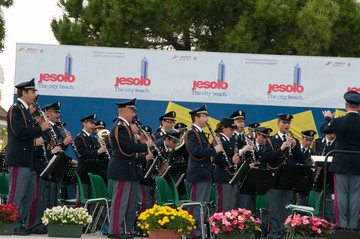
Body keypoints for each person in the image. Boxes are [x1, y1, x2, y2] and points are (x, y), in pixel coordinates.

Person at [6, 78, 52, 235]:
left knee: (29, 194)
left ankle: (20, 223)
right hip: (19, 159)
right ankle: (10, 224)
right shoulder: (16, 109)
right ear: (24, 93)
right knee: (16, 194)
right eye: (32, 92)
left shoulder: (25, 111)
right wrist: (40, 128)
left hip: (29, 160)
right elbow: (19, 132)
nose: (35, 95)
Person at [107, 98, 155, 239]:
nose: (134, 114)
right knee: (120, 202)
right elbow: (127, 148)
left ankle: (124, 229)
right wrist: (145, 145)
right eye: (133, 111)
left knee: (127, 202)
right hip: (121, 169)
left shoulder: (124, 126)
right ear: (126, 111)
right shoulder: (120, 126)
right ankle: (115, 230)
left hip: (126, 169)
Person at [27, 101, 72, 233]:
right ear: (48, 114)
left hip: (53, 168)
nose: (58, 115)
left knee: (51, 198)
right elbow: (38, 150)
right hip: (42, 167)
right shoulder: (41, 129)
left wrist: (65, 143)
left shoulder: (54, 130)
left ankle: (48, 223)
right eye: (56, 112)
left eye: (58, 112)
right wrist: (53, 150)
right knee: (41, 198)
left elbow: (58, 149)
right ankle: (37, 224)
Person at [320, 91, 360, 231]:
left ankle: (342, 224)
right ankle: (353, 226)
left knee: (341, 194)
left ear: (345, 105)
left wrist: (327, 118)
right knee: (356, 194)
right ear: (359, 107)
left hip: (341, 162)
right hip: (357, 163)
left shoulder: (339, 121)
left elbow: (324, 129)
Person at [263, 113, 305, 239]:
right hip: (275, 179)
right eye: (284, 123)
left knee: (286, 209)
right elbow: (266, 158)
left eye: (288, 123)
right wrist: (281, 149)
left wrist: (295, 147)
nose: (286, 125)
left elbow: (302, 159)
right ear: (278, 123)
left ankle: (285, 233)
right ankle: (274, 234)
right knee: (275, 209)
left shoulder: (294, 140)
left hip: (288, 179)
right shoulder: (271, 140)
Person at [185, 104, 223, 239]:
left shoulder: (200, 133)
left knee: (202, 206)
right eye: (205, 116)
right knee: (196, 205)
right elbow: (196, 152)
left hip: (205, 173)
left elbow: (205, 150)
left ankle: (199, 232)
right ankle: (192, 233)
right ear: (197, 118)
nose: (207, 119)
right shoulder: (191, 133)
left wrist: (214, 146)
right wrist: (214, 150)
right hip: (197, 174)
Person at [74, 114, 108, 201]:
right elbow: (81, 153)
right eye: (91, 123)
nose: (94, 126)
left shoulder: (94, 138)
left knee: (93, 199)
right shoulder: (80, 137)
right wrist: (98, 151)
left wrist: (104, 150)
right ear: (84, 124)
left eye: (94, 124)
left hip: (94, 173)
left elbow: (99, 156)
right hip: (84, 174)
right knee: (83, 198)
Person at [212, 117, 239, 212]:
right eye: (231, 129)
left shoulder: (229, 140)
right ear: (223, 128)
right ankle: (219, 227)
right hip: (222, 177)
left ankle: (227, 226)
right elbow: (216, 159)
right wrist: (232, 160)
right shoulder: (219, 139)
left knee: (230, 207)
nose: (233, 132)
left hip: (230, 177)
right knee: (223, 207)